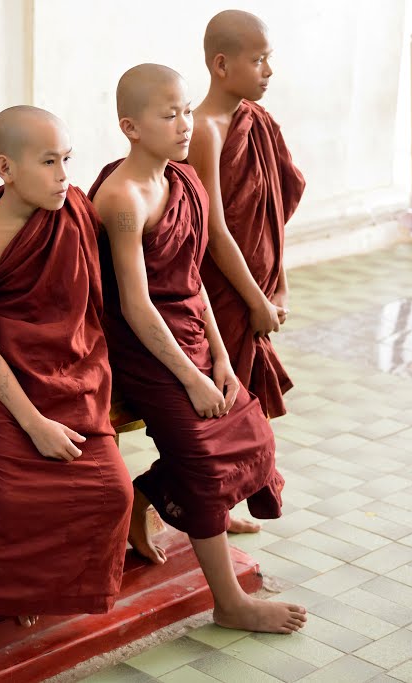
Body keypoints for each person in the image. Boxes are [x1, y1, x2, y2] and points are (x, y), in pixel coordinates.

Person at [90, 64, 305, 634]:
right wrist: (191, 377)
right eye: (169, 114)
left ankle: (147, 496)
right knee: (206, 464)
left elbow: (193, 278)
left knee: (253, 433)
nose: (185, 124)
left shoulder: (183, 181)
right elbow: (136, 307)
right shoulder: (123, 199)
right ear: (130, 127)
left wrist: (223, 359)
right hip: (144, 351)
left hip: (191, 338)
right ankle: (229, 602)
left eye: (187, 110)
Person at [0, 106, 133, 683]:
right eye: (48, 162)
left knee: (113, 490)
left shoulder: (77, 214)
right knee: (6, 500)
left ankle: (33, 585)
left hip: (72, 375)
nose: (64, 174)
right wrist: (34, 423)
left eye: (68, 159)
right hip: (6, 385)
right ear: (5, 168)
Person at [190, 9, 306, 419]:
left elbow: (272, 212)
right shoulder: (205, 129)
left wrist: (279, 287)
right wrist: (256, 300)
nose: (269, 71)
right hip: (225, 293)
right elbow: (214, 229)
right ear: (221, 64)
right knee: (228, 413)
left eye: (268, 58)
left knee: (250, 415)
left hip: (258, 290)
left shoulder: (257, 120)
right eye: (258, 60)